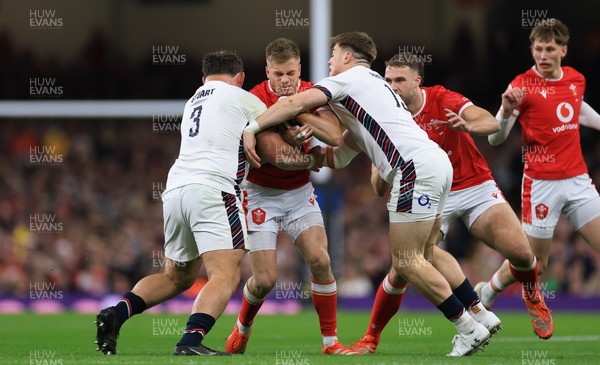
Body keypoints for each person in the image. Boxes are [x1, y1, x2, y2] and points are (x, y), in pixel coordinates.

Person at [243, 31, 491, 357]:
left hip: (413, 169)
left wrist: (251, 127)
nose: (329, 61)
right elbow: (342, 150)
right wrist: (312, 159)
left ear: (348, 56)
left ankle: (469, 328)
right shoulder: (374, 86)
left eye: (333, 54)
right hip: (435, 164)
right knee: (425, 253)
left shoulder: (350, 78)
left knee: (407, 260)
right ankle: (479, 312)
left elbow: (294, 102)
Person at [94, 50, 317, 356]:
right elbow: (275, 139)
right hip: (214, 189)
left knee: (177, 276)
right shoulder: (244, 98)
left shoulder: (194, 101)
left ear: (204, 78)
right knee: (226, 274)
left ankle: (115, 314)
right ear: (239, 78)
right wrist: (305, 151)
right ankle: (190, 341)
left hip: (175, 191)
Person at [351, 50, 554, 354]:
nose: (392, 86)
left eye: (400, 80)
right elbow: (378, 187)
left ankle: (531, 293)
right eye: (388, 79)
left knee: (523, 254)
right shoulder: (385, 115)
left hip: (473, 184)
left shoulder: (442, 99)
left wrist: (470, 127)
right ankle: (371, 337)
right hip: (431, 194)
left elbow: (489, 121)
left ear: (417, 81)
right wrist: (382, 166)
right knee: (403, 266)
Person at [224, 38, 357, 356]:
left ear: (300, 70)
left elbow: (335, 135)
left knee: (321, 261)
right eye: (279, 74)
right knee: (265, 280)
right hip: (260, 195)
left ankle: (330, 342)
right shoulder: (254, 98)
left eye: (292, 74)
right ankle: (242, 327)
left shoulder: (311, 92)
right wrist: (305, 152)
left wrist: (301, 114)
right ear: (267, 71)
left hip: (299, 193)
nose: (286, 81)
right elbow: (277, 156)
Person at [477, 18, 600, 334]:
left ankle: (487, 292)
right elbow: (495, 138)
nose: (543, 55)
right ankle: (491, 290)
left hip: (577, 181)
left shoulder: (575, 79)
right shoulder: (520, 87)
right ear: (532, 50)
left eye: (549, 49)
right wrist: (504, 112)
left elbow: (576, 108)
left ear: (563, 50)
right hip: (541, 185)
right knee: (536, 264)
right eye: (538, 49)